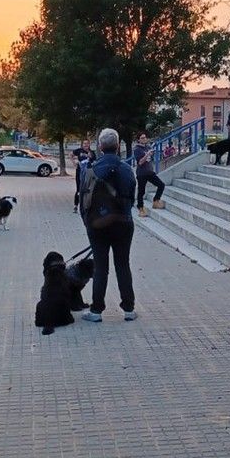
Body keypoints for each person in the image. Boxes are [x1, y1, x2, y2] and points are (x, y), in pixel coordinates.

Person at [81, 128, 137, 323]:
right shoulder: (127, 169)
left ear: (100, 146)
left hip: (97, 225)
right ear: (119, 145)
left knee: (100, 268)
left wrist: (88, 224)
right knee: (123, 265)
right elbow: (132, 195)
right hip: (123, 223)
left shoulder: (89, 169)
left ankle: (96, 311)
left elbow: (83, 201)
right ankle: (129, 309)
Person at [133, 132, 166, 217]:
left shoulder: (148, 147)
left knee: (161, 185)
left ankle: (156, 201)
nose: (144, 139)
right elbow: (140, 162)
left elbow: (151, 158)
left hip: (149, 172)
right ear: (138, 140)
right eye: (142, 138)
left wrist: (152, 153)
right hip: (141, 173)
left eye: (145, 138)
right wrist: (147, 154)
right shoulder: (137, 149)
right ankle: (141, 208)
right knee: (141, 191)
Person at [73, 137, 94, 213]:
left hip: (88, 174)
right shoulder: (79, 151)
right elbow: (71, 154)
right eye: (84, 143)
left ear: (89, 145)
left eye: (87, 143)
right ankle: (75, 206)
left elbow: (94, 162)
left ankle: (86, 206)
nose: (86, 145)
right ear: (82, 144)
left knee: (87, 189)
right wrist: (74, 163)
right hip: (79, 172)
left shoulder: (92, 152)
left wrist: (90, 157)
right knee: (79, 189)